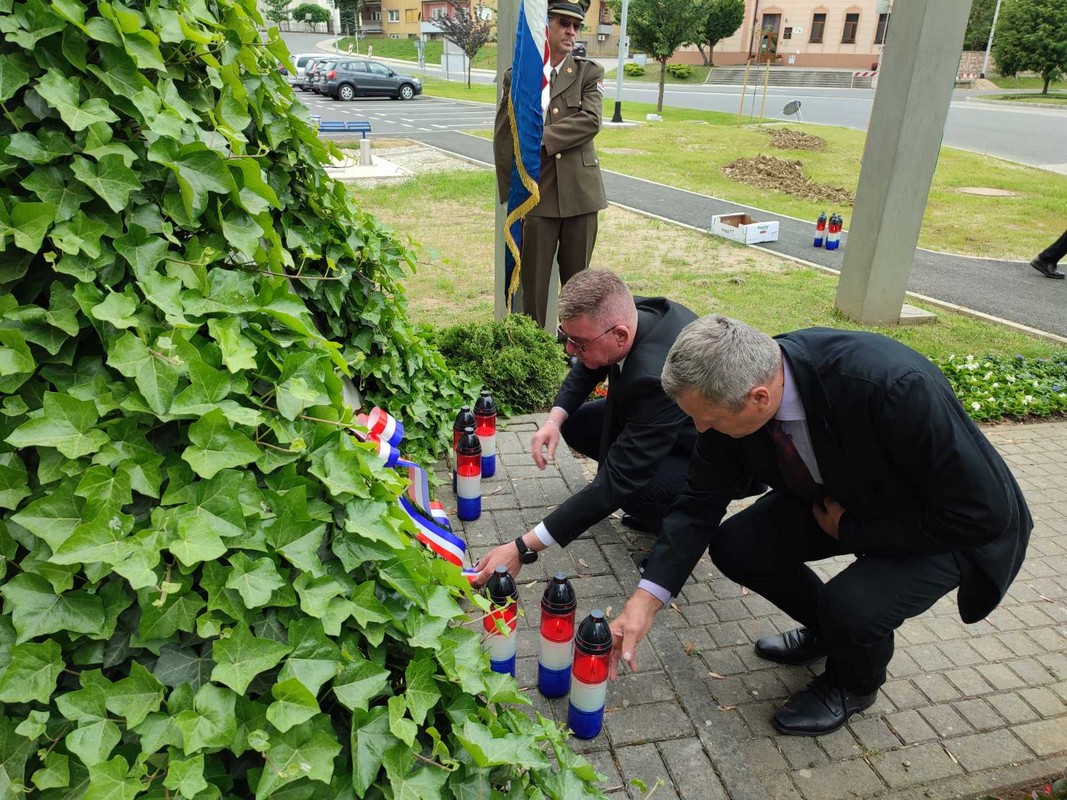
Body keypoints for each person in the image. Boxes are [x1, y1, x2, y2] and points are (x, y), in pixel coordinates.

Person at [608, 316, 1032, 736]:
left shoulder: (891, 386)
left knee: (850, 605)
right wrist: (645, 601)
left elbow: (984, 511)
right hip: (848, 495)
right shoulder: (735, 387)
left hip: (951, 523)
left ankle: (854, 683)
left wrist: (852, 531)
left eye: (710, 420)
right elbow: (699, 500)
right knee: (739, 545)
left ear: (758, 398)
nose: (700, 430)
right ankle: (832, 635)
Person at [470, 270, 700, 586]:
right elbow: (588, 367)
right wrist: (553, 420)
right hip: (652, 422)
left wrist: (522, 547)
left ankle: (675, 531)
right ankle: (652, 505)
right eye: (567, 338)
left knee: (630, 490)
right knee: (577, 423)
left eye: (577, 342)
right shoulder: (631, 315)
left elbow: (618, 481)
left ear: (620, 335)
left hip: (701, 451)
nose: (568, 351)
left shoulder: (655, 377)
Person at [493, 0, 608, 329]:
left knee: (578, 291)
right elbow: (505, 134)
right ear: (546, 25)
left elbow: (590, 121)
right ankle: (535, 354)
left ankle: (575, 354)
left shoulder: (588, 72)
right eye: (563, 23)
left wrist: (539, 138)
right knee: (534, 286)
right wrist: (510, 192)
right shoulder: (520, 76)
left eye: (576, 25)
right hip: (536, 195)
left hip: (580, 196)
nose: (571, 31)